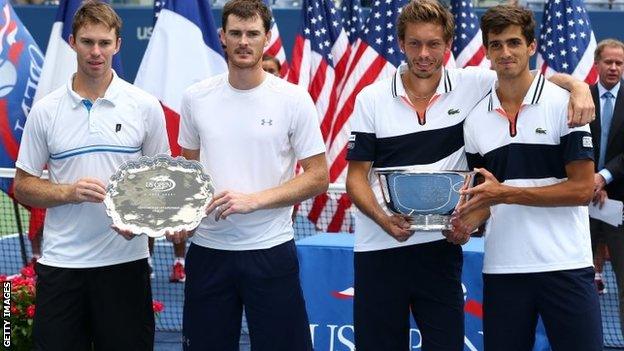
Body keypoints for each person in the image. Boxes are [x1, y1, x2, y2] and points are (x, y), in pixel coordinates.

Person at [344, 0, 594, 350]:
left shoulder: (472, 83)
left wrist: (579, 87)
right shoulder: (371, 98)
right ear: (401, 44)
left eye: (433, 44)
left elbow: (524, 76)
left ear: (447, 46)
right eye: (414, 43)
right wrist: (386, 221)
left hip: (440, 249)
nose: (424, 53)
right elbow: (356, 177)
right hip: (379, 247)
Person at [168, 0, 329, 350]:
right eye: (236, 33)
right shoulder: (195, 98)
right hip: (209, 252)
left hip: (271, 251)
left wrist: (254, 200)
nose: (244, 41)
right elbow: (188, 172)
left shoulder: (293, 99)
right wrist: (181, 219)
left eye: (252, 33)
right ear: (222, 36)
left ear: (266, 37)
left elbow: (318, 176)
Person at [13, 1, 169, 349]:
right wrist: (68, 192)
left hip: (125, 266)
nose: (95, 52)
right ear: (72, 42)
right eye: (87, 42)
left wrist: (140, 221)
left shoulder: (144, 106)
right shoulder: (45, 111)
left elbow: (164, 186)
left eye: (104, 42)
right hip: (61, 267)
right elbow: (22, 186)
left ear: (118, 45)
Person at [457, 5, 602, 350]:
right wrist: (462, 225)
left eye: (514, 43)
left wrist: (506, 194)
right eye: (496, 45)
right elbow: (485, 200)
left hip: (567, 266)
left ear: (531, 46)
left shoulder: (565, 103)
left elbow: (582, 189)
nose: (505, 53)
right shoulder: (475, 120)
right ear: (487, 51)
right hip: (503, 271)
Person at [589, 38, 624, 336]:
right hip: (580, 202)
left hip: (619, 206)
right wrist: (590, 179)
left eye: (619, 63)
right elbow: (573, 144)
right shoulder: (581, 98)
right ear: (596, 64)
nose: (613, 68)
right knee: (577, 281)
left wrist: (603, 178)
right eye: (608, 62)